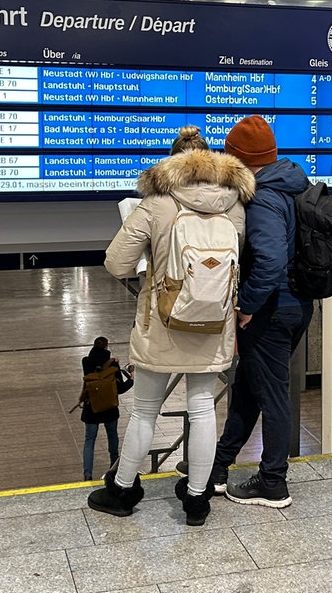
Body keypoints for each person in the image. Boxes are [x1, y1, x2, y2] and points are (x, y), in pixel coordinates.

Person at [88, 125, 255, 525]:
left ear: (172, 161)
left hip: (161, 323)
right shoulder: (234, 205)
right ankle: (197, 499)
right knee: (201, 409)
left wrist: (153, 260)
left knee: (145, 410)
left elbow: (116, 263)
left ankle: (123, 489)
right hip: (213, 325)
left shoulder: (157, 202)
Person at [204, 114, 314, 508]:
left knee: (272, 396)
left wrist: (247, 306)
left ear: (241, 160)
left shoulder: (264, 196)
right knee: (250, 388)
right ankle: (217, 468)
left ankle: (273, 482)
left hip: (271, 309)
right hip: (294, 304)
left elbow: (269, 259)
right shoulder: (290, 183)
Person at [80, 336, 134, 481]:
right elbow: (121, 389)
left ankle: (87, 474)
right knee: (112, 435)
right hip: (110, 408)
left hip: (92, 408)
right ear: (107, 347)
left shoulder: (85, 362)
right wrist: (131, 379)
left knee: (89, 439)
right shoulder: (113, 365)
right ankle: (114, 466)